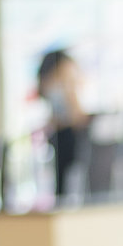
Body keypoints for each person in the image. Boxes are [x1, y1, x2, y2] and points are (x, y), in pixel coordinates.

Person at [37, 49, 90, 200]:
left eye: (72, 82)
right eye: (62, 82)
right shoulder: (42, 140)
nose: (69, 91)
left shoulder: (87, 136)